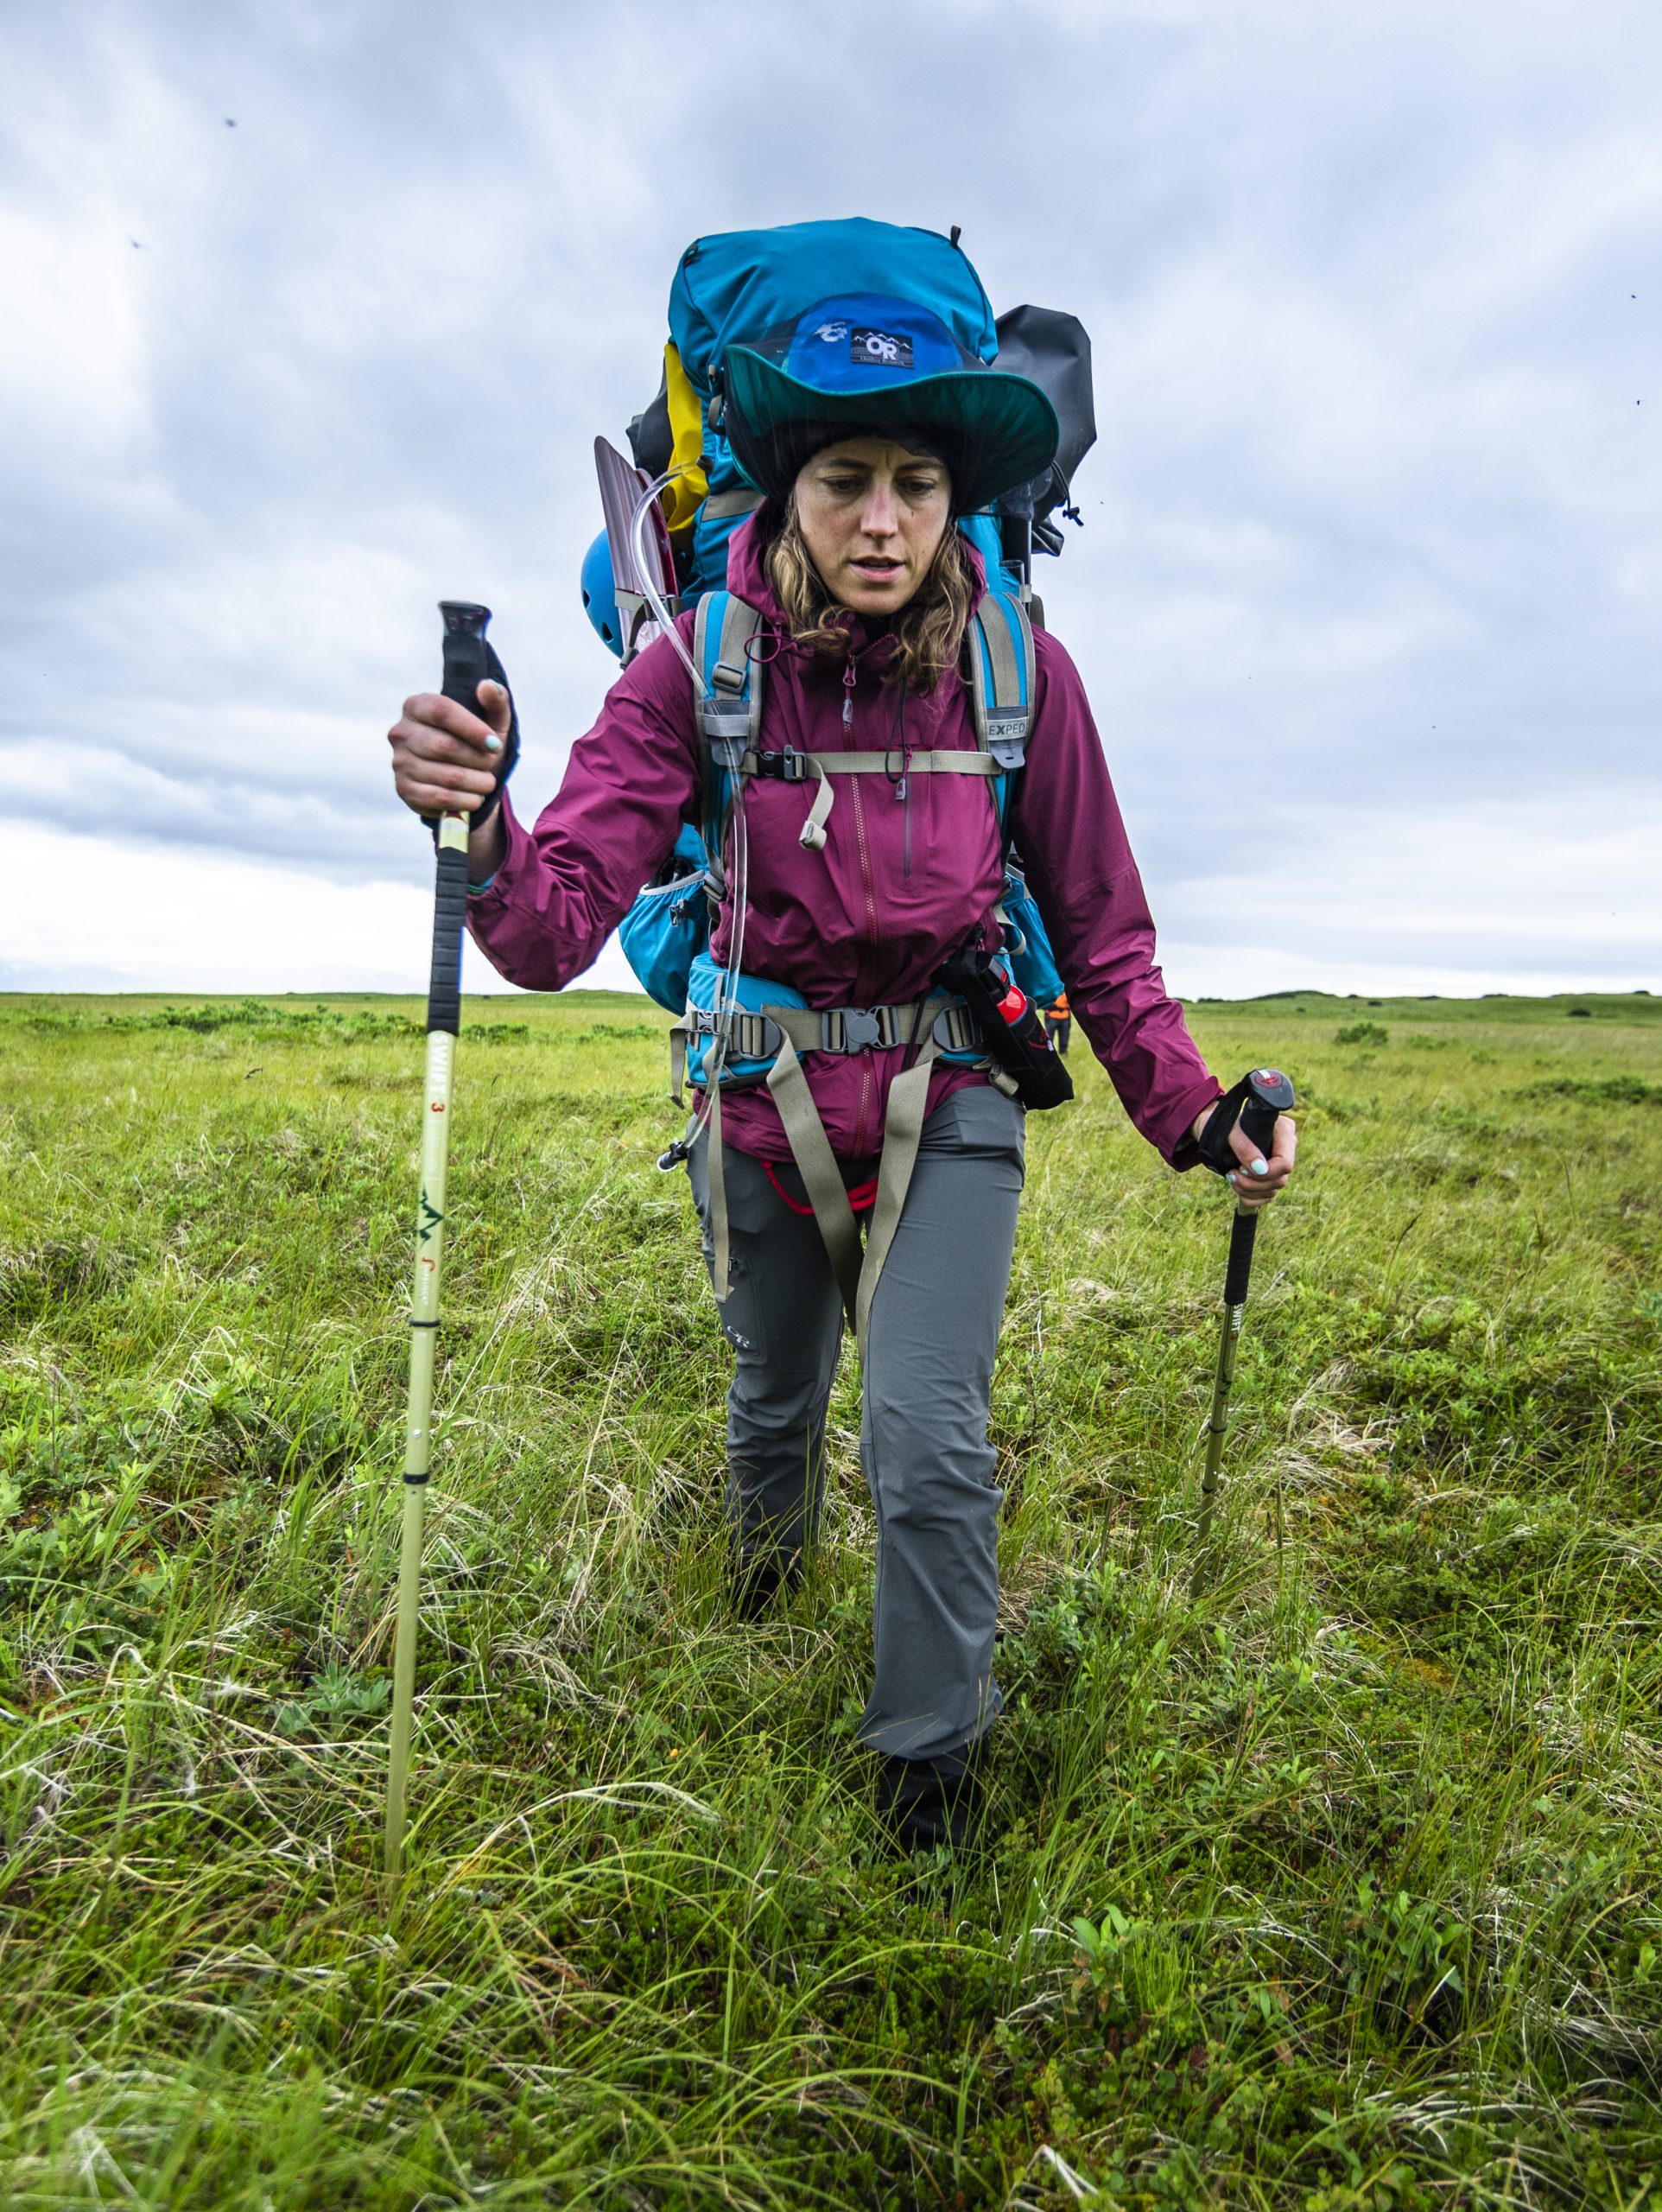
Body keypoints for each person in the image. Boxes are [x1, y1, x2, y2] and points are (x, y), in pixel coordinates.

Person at [386, 293, 1297, 1851]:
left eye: (917, 486)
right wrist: (479, 813)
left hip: (952, 1093)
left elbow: (1102, 935)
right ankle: (756, 1609)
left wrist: (1196, 1113)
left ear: (959, 501)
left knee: (927, 1429)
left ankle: (924, 1787)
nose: (882, 524)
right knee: (771, 1405)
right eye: (843, 482)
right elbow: (544, 931)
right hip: (756, 1098)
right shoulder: (692, 672)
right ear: (787, 490)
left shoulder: (1022, 675)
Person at [1043, 989, 1072, 1057]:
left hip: (1065, 1017)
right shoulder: (1051, 987)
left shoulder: (1066, 987)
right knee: (1049, 1037)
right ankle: (1049, 1054)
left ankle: (1063, 1052)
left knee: (1065, 1036)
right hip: (1052, 1017)